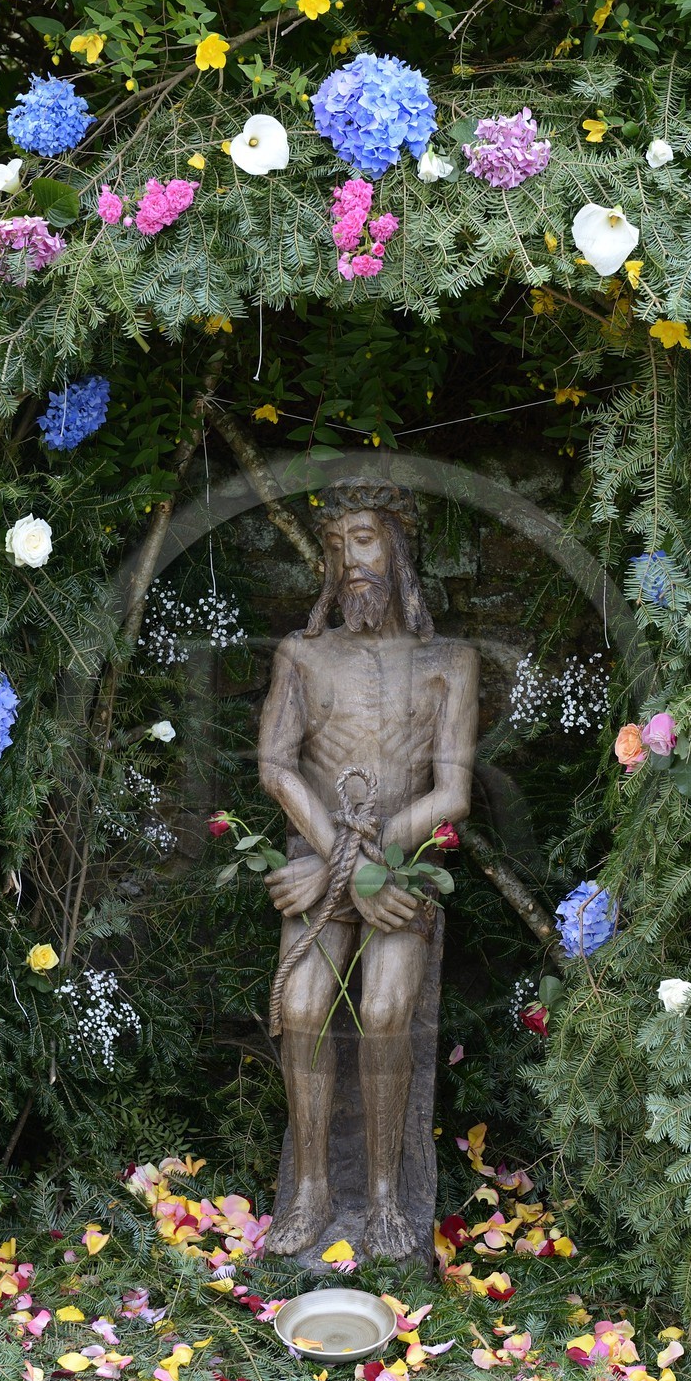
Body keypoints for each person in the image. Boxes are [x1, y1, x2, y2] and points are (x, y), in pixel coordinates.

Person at [257, 477, 479, 1258]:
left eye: (363, 539)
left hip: (402, 869)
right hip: (320, 859)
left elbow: (452, 792)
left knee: (387, 1011)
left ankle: (385, 1195)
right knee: (304, 1006)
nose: (348, 559)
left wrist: (369, 863)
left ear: (398, 546)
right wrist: (337, 862)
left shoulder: (450, 661)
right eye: (334, 544)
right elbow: (276, 768)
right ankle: (313, 1189)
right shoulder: (302, 656)